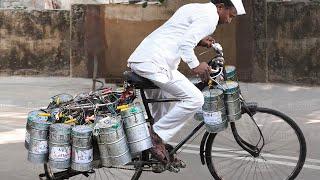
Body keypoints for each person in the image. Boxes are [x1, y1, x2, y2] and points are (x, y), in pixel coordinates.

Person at [127, 0, 246, 163]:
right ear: (220, 7)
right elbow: (185, 43)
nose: (229, 21)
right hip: (154, 62)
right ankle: (155, 135)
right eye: (230, 16)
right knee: (196, 99)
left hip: (148, 58)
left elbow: (179, 33)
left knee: (163, 101)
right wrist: (196, 65)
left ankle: (155, 141)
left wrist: (199, 41)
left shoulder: (196, 8)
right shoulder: (210, 18)